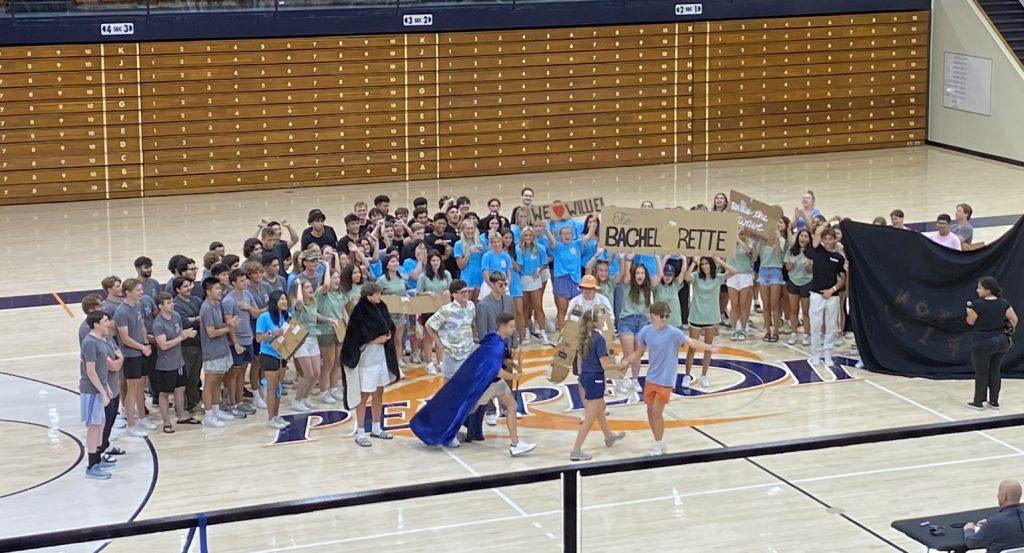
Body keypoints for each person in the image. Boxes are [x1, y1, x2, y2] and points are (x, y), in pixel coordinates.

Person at [620, 302, 719, 456]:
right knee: (650, 411)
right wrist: (626, 360)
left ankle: (658, 444)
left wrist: (709, 347)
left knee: (656, 413)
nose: (665, 319)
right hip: (651, 377)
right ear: (653, 315)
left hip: (666, 380)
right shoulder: (645, 332)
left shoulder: (674, 333)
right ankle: (659, 441)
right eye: (662, 316)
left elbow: (691, 342)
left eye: (667, 316)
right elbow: (639, 352)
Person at [341, 283, 401, 447]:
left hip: (380, 355)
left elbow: (390, 325)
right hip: (366, 358)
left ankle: (376, 427)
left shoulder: (381, 306)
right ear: (369, 295)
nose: (379, 296)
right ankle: (360, 432)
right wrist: (375, 340)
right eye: (377, 293)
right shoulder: (359, 311)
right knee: (364, 394)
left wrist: (389, 334)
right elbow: (355, 336)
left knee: (379, 392)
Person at [475, 313, 536, 456]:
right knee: (469, 409)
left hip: (497, 383)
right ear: (502, 326)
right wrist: (514, 376)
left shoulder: (498, 340)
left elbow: (502, 360)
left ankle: (515, 443)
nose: (514, 329)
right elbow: (496, 371)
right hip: (487, 384)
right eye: (511, 326)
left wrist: (514, 364)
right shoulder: (496, 345)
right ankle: (447, 429)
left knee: (512, 405)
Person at [569, 307, 625, 462]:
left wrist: (581, 377)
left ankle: (608, 436)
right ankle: (576, 450)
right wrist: (619, 366)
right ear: (594, 322)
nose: (603, 320)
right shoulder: (599, 340)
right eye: (601, 318)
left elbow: (580, 361)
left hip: (586, 377)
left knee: (600, 408)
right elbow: (605, 365)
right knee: (589, 417)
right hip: (596, 379)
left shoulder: (583, 337)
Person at [80, 312, 122, 479]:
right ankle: (91, 466)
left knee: (101, 425)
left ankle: (97, 459)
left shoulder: (100, 340)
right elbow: (90, 371)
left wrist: (106, 387)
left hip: (100, 388)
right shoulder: (90, 343)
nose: (108, 324)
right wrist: (102, 391)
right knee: (93, 428)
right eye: (105, 321)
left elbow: (100, 369)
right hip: (91, 391)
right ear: (96, 324)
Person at [966, 276, 1018, 410]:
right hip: (1001, 341)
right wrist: (1007, 332)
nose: (977, 290)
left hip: (983, 342)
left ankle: (978, 402)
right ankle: (994, 401)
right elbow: (1014, 319)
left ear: (988, 290)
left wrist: (968, 313)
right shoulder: (1004, 303)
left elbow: (970, 321)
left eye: (980, 288)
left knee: (981, 372)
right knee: (995, 371)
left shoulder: (978, 304)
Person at [684, 257, 736, 388]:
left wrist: (719, 261)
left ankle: (704, 375)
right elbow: (686, 278)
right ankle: (686, 375)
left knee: (708, 347)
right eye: (702, 264)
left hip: (711, 317)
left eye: (707, 263)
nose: (704, 266)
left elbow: (734, 271)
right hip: (696, 316)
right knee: (692, 348)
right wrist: (694, 263)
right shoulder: (696, 276)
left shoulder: (718, 278)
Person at [152, 292, 200, 433]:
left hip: (179, 360)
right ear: (161, 306)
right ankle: (166, 421)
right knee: (165, 393)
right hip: (166, 364)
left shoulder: (176, 316)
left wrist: (186, 334)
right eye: (168, 303)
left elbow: (179, 334)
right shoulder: (158, 323)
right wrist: (183, 337)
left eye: (172, 301)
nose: (172, 304)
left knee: (180, 388)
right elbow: (163, 345)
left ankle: (181, 415)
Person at [199, 277, 240, 428]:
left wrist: (229, 323)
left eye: (220, 288)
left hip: (222, 349)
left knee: (218, 381)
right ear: (208, 292)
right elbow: (211, 332)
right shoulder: (206, 308)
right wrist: (229, 328)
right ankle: (209, 414)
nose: (220, 291)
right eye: (216, 289)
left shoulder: (216, 304)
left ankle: (216, 409)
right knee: (210, 383)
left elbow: (219, 326)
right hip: (212, 351)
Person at [114, 278, 153, 438]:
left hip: (141, 351)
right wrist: (142, 347)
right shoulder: (121, 312)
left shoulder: (137, 305)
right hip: (131, 355)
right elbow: (125, 338)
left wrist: (145, 343)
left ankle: (142, 417)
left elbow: (142, 326)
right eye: (138, 290)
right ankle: (131, 424)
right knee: (132, 390)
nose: (141, 293)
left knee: (140, 386)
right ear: (128, 293)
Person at [425, 280, 477, 389]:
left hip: (468, 352)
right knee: (450, 388)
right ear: (454, 294)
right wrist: (438, 343)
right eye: (462, 292)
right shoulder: (446, 310)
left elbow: (472, 324)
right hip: (452, 354)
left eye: (466, 291)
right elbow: (429, 325)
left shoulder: (471, 306)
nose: (466, 294)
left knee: (468, 385)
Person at [222, 269, 259, 418]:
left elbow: (256, 313)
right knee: (233, 375)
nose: (245, 282)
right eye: (241, 281)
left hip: (248, 338)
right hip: (236, 342)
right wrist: (235, 343)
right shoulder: (228, 301)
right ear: (233, 283)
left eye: (245, 280)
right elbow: (229, 324)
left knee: (241, 374)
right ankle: (232, 404)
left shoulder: (248, 294)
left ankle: (239, 401)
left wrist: (249, 308)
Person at [807, 224, 846, 368]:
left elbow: (843, 279)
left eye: (831, 238)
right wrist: (832, 218)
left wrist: (832, 289)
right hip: (817, 295)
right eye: (826, 238)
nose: (828, 241)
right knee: (816, 327)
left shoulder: (838, 258)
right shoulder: (817, 251)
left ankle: (828, 354)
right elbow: (816, 232)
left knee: (830, 327)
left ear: (835, 240)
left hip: (832, 296)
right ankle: (815, 355)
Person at [255, 290, 292, 429]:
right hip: (268, 354)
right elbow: (259, 338)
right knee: (272, 387)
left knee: (279, 387)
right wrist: (272, 333)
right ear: (274, 301)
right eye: (281, 299)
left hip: (282, 355)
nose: (284, 301)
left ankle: (276, 415)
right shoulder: (264, 317)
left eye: (285, 299)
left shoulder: (287, 316)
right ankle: (270, 418)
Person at [618, 254, 654, 393]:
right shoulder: (628, 284)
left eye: (642, 273)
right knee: (628, 354)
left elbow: (660, 275)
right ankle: (620, 379)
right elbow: (625, 273)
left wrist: (657, 258)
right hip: (627, 321)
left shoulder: (648, 287)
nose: (640, 275)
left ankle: (634, 380)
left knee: (638, 354)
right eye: (638, 272)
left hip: (642, 323)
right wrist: (627, 259)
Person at [289, 279, 324, 413]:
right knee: (308, 374)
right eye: (307, 287)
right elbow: (299, 301)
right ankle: (297, 401)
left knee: (316, 374)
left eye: (311, 286)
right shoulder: (297, 305)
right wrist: (298, 284)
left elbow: (315, 315)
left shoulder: (312, 302)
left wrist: (329, 320)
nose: (311, 289)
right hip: (300, 341)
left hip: (313, 338)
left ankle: (304, 398)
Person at [316, 256, 347, 405]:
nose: (337, 280)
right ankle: (324, 391)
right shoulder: (323, 292)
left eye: (338, 278)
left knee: (337, 361)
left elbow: (343, 312)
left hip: (339, 329)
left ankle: (334, 388)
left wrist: (348, 327)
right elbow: (327, 284)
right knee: (328, 362)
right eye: (334, 278)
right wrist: (327, 267)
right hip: (326, 330)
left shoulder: (340, 294)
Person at [172, 276, 204, 413]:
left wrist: (195, 319)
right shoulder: (176, 304)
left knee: (195, 376)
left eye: (190, 285)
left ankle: (194, 402)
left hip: (199, 343)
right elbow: (184, 322)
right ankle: (183, 405)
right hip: (186, 346)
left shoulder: (196, 300)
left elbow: (204, 315)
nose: (189, 288)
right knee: (185, 376)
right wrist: (197, 318)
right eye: (185, 286)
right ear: (177, 289)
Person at [964, 480, 1024, 552]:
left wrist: (969, 529)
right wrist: (989, 523)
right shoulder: (995, 522)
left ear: (1003, 496)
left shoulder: (995, 523)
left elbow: (972, 542)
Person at [757, 218, 788, 342]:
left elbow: (780, 254)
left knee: (774, 304)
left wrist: (776, 238)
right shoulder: (762, 241)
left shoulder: (781, 240)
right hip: (763, 271)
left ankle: (775, 331)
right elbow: (756, 256)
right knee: (766, 305)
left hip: (776, 271)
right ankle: (767, 331)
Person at [784, 229, 813, 347]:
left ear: (809, 239)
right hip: (793, 282)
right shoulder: (791, 251)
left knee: (806, 312)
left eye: (806, 236)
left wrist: (808, 265)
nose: (803, 238)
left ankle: (806, 334)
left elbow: (812, 271)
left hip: (807, 282)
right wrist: (791, 263)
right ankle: (794, 333)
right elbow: (787, 268)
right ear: (798, 237)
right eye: (801, 235)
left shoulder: (812, 252)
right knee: (793, 310)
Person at [727, 232, 756, 341]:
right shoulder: (730, 240)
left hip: (745, 275)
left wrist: (739, 239)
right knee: (734, 305)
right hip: (732, 275)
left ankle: (743, 329)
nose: (741, 233)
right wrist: (735, 237)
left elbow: (752, 255)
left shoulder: (750, 242)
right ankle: (734, 328)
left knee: (743, 304)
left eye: (743, 232)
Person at [455, 220, 486, 302]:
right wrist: (468, 253)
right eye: (467, 229)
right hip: (467, 278)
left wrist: (483, 252)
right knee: (467, 304)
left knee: (479, 305)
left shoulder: (481, 242)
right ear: (463, 230)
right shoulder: (458, 244)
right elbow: (460, 266)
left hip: (480, 277)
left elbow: (487, 260)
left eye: (472, 228)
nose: (470, 231)